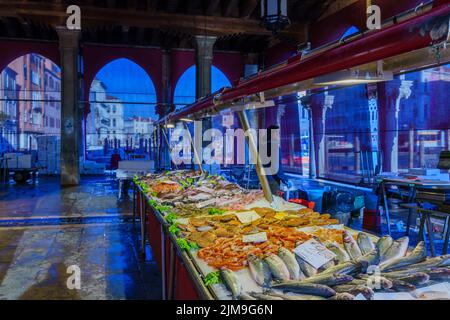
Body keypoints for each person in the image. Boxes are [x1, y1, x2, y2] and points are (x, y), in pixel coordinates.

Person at [263, 124, 293, 196]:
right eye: (277, 133)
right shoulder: (274, 145)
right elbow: (275, 166)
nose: (278, 135)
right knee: (275, 202)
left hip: (264, 178)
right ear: (273, 133)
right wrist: (284, 180)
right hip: (273, 180)